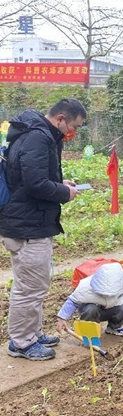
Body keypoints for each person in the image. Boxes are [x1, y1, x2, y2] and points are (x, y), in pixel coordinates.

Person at [0, 98, 86, 361]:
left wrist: (60, 182)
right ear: (60, 118)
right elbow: (36, 184)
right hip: (27, 225)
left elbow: (30, 177)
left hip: (31, 221)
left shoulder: (37, 133)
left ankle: (33, 333)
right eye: (73, 126)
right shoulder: (37, 137)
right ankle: (21, 342)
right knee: (29, 287)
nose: (72, 132)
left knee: (35, 283)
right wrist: (64, 192)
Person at [56, 263, 123, 336]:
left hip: (112, 309)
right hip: (92, 312)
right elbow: (72, 301)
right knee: (91, 309)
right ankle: (89, 333)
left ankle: (114, 327)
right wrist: (62, 318)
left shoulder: (122, 285)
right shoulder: (84, 288)